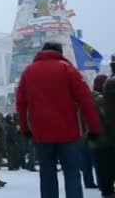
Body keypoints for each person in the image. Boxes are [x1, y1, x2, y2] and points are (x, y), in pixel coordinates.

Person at [16, 42, 101, 198]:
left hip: (41, 134)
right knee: (72, 173)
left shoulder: (28, 72)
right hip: (68, 133)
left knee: (47, 174)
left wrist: (25, 128)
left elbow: (21, 103)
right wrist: (94, 128)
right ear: (59, 52)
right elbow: (86, 101)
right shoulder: (68, 70)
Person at [93, 59, 115, 198]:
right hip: (106, 137)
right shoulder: (102, 98)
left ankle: (106, 190)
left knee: (103, 167)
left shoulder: (93, 100)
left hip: (99, 139)